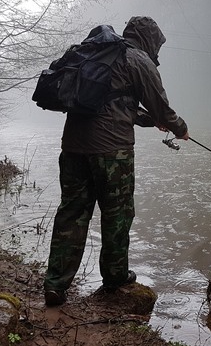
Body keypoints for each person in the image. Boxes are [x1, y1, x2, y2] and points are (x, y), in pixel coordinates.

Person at [43, 16, 189, 306]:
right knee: (117, 214)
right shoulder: (138, 60)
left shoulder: (100, 56)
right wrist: (180, 128)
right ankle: (115, 277)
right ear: (149, 40)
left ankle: (56, 285)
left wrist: (150, 122)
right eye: (157, 44)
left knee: (71, 213)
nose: (157, 51)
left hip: (72, 148)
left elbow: (115, 104)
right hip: (113, 152)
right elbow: (160, 106)